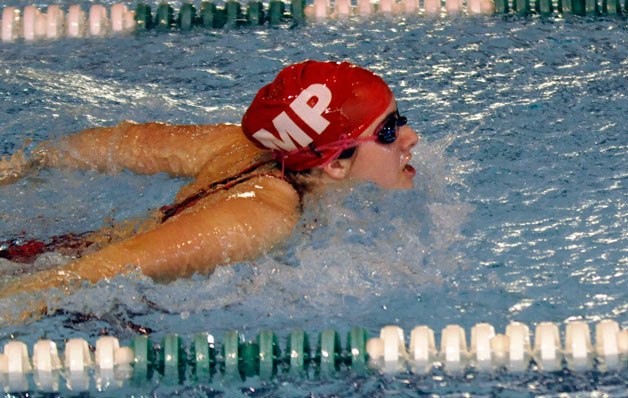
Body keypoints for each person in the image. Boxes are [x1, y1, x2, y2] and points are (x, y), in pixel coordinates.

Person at [0, 60, 418, 322]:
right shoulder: (259, 218)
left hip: (46, 251)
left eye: (399, 119)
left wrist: (23, 165)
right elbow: (83, 277)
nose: (410, 137)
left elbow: (123, 143)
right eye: (387, 131)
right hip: (52, 283)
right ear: (336, 164)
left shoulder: (239, 147)